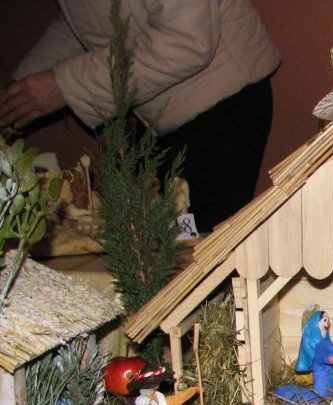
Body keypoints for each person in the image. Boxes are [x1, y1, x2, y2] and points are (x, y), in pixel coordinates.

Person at [0, 1, 280, 232]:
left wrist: (63, 85)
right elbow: (81, 22)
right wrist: (19, 95)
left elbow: (187, 40)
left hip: (220, 106)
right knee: (162, 239)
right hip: (161, 114)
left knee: (194, 244)